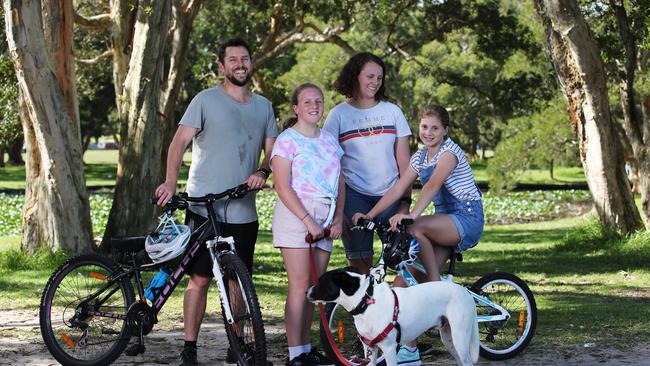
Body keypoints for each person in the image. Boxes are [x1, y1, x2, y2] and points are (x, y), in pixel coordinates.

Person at [155, 39, 278, 366]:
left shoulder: (264, 106)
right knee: (200, 279)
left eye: (245, 59)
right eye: (233, 59)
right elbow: (179, 142)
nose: (240, 64)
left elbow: (273, 151)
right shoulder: (205, 100)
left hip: (242, 209)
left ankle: (236, 344)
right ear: (222, 66)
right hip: (202, 206)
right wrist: (170, 181)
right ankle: (189, 349)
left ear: (251, 64)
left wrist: (263, 171)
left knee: (239, 280)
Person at [353, 105, 484, 366]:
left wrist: (412, 214)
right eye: (424, 127)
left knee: (416, 227)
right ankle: (410, 352)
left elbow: (433, 185)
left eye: (435, 128)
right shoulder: (420, 157)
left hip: (466, 218)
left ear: (445, 130)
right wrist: (370, 215)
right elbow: (397, 188)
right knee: (403, 283)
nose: (429, 132)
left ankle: (439, 290)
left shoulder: (449, 153)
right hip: (442, 221)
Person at [271, 83, 344, 366]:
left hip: (325, 217)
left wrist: (337, 217)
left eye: (318, 101)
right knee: (300, 285)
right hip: (296, 215)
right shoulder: (287, 140)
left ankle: (306, 349)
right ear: (296, 108)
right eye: (308, 102)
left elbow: (340, 181)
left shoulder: (329, 140)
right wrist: (307, 221)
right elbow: (281, 185)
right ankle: (294, 354)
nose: (314, 106)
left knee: (315, 288)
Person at [323, 52, 412, 276]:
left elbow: (406, 165)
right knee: (360, 264)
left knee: (403, 261)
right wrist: (339, 210)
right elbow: (331, 166)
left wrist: (404, 204)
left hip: (391, 194)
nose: (375, 82)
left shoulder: (392, 112)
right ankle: (364, 310)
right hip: (354, 197)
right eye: (370, 76)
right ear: (355, 76)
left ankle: (400, 309)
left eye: (379, 78)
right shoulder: (338, 115)